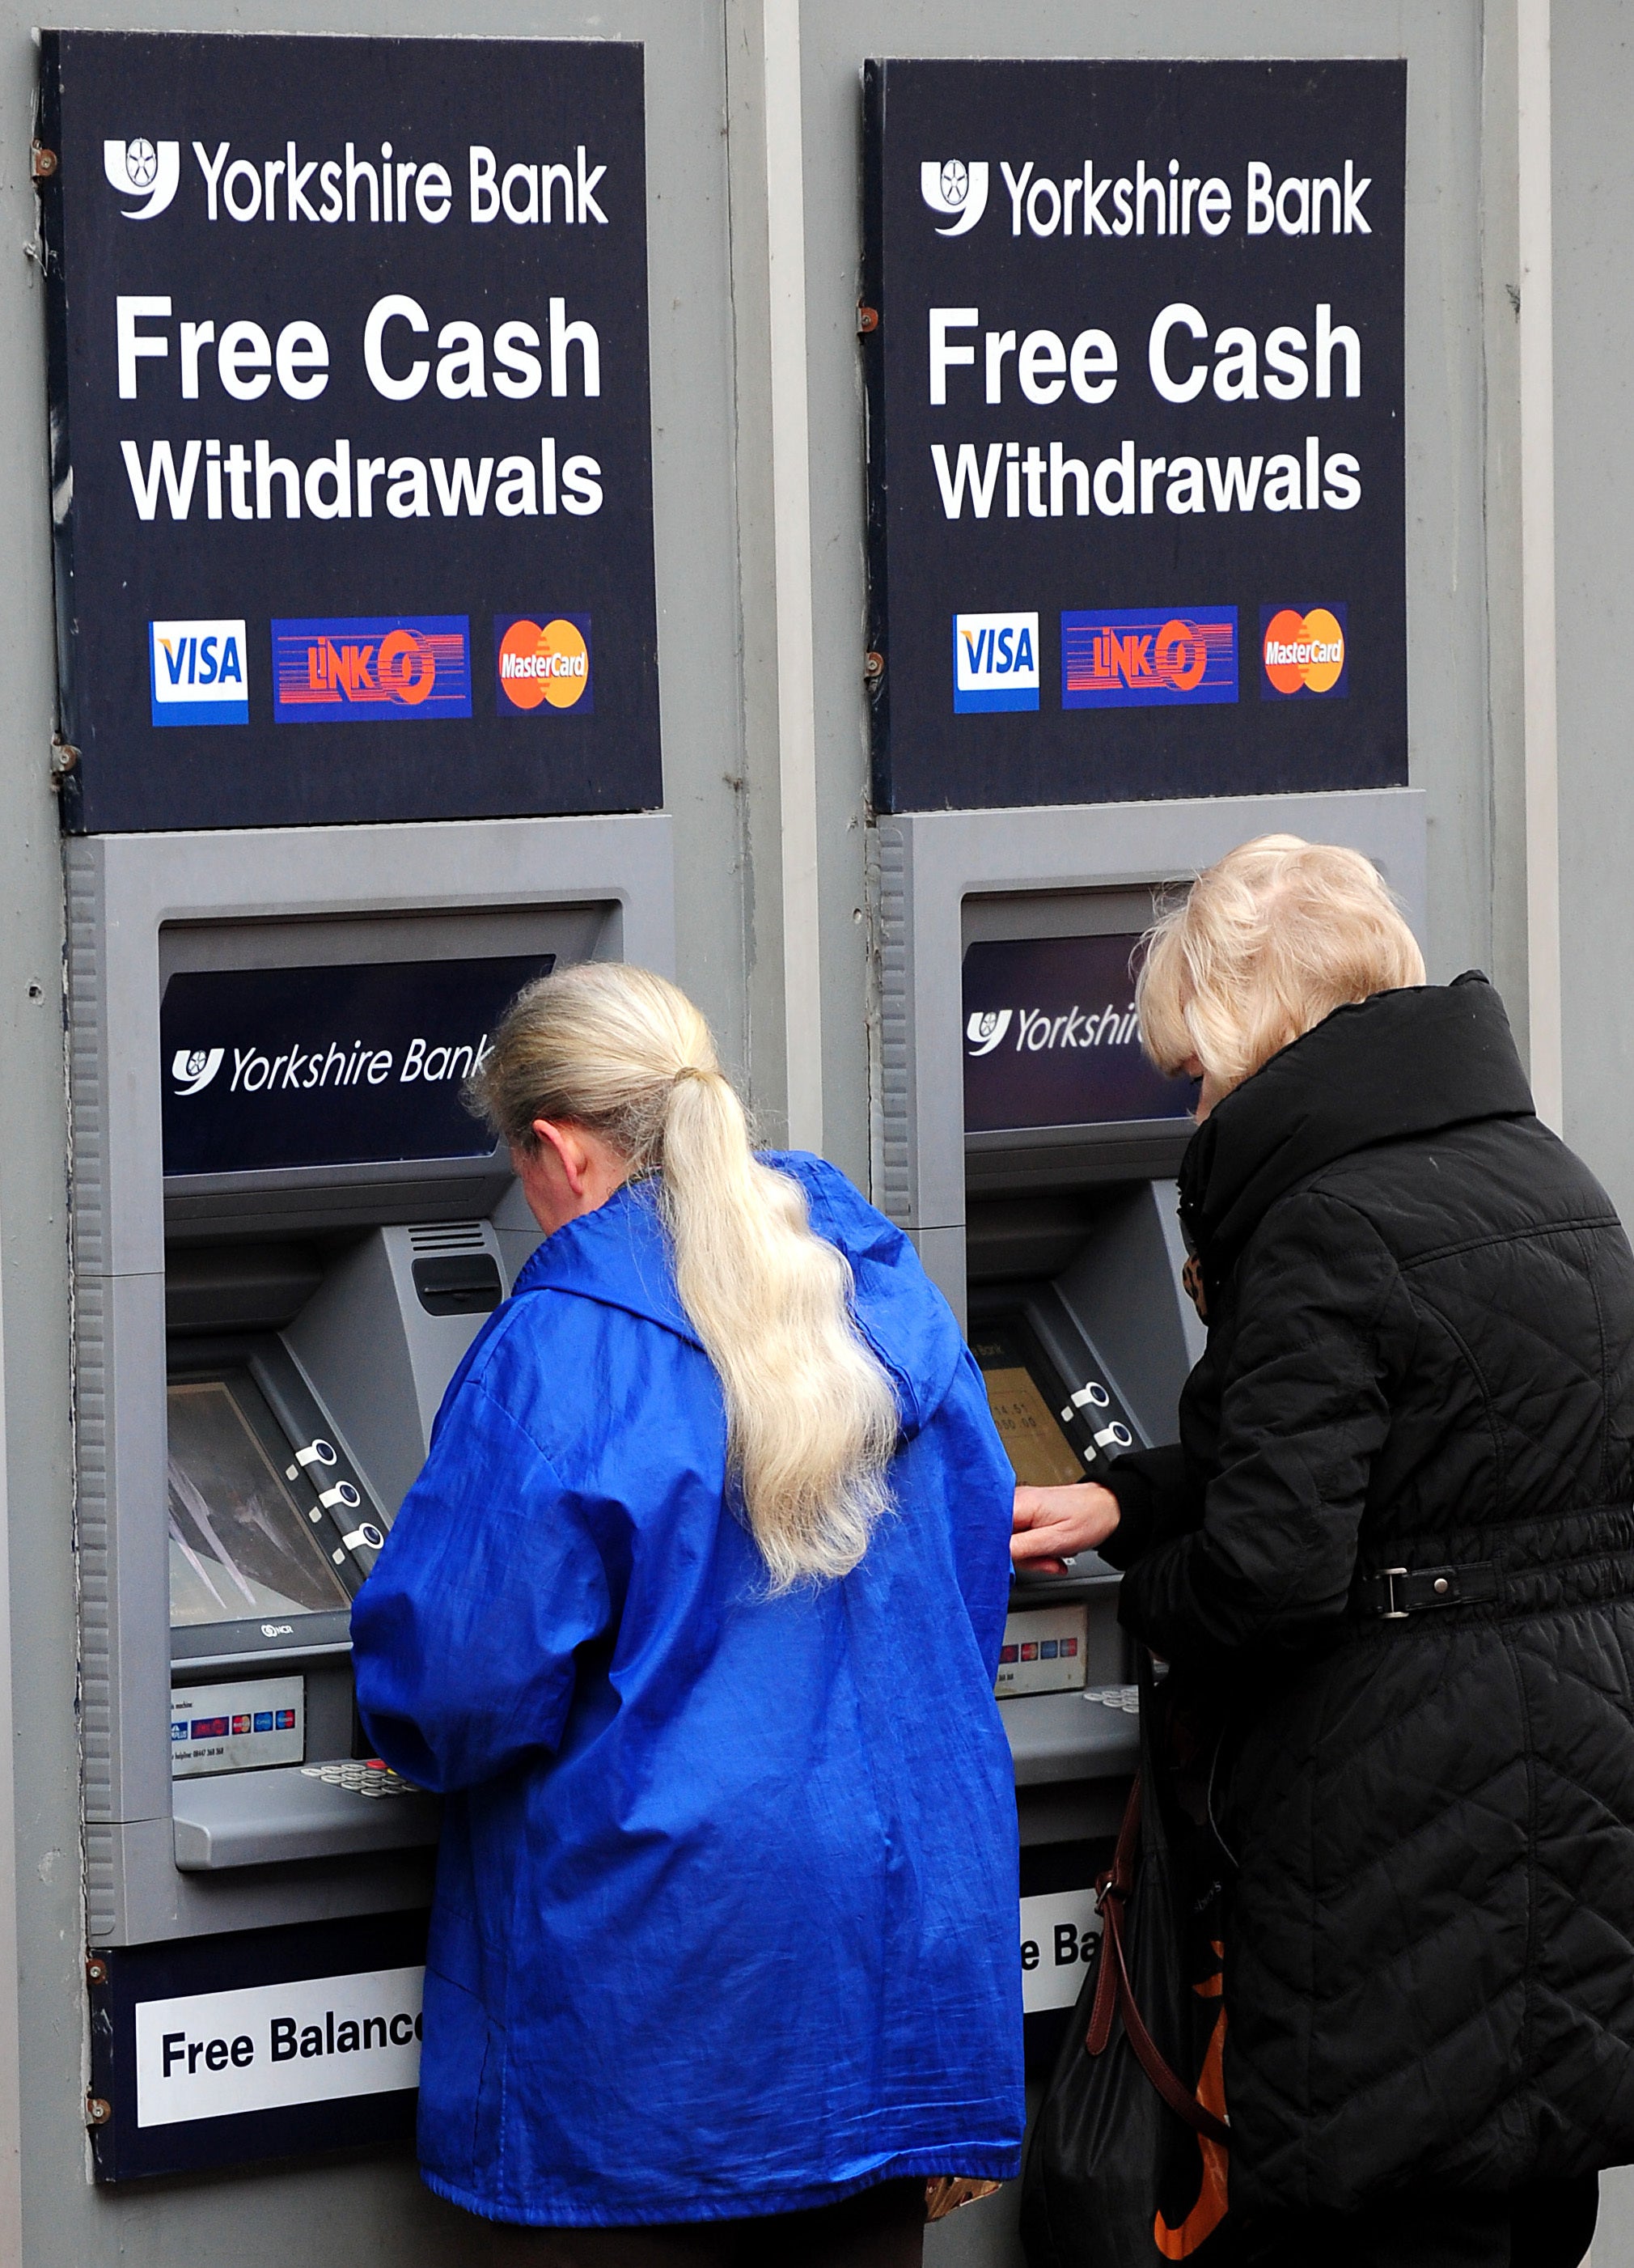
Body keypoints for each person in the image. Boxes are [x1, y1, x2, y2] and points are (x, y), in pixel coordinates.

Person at [1011, 836, 1634, 2268]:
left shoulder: (1323, 1223)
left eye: (1195, 1071)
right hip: (1563, 1812)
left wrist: (1140, 1592)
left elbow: (1273, 1572)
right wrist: (1133, 1497)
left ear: (1258, 1029)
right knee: (1520, 2196)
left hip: (1391, 1854)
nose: (1199, 1106)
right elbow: (1432, 1465)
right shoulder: (1550, 1181)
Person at [350, 962, 1023, 2264]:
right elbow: (966, 1588)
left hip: (659, 2001)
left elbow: (454, 1691)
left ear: (560, 1150)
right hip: (891, 1961)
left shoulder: (563, 1346)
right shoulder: (882, 1296)